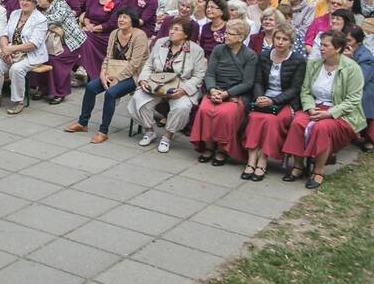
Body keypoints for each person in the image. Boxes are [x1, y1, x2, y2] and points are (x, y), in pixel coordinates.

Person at [281, 31, 365, 189]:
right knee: (298, 122)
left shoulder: (352, 69)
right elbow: (305, 90)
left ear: (338, 48)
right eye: (321, 45)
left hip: (340, 113)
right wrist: (310, 108)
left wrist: (329, 113)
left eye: (326, 45)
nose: (321, 48)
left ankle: (318, 171)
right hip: (315, 107)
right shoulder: (314, 64)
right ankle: (298, 166)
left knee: (322, 128)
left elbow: (353, 99)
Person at [66, 8, 148, 142]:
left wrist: (118, 78)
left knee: (110, 93)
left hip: (133, 75)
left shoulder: (140, 35)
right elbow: (108, 57)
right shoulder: (115, 33)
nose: (121, 20)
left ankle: (103, 131)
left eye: (125, 17)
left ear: (132, 21)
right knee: (91, 87)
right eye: (120, 17)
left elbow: (135, 63)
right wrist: (103, 73)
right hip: (112, 71)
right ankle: (82, 123)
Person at [129, 18, 208, 154]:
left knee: (182, 107)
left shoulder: (196, 51)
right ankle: (149, 131)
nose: (171, 31)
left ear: (186, 34)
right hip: (156, 83)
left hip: (181, 85)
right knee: (138, 99)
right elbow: (148, 65)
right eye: (171, 28)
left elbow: (199, 76)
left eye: (176, 29)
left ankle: (167, 136)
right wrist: (143, 80)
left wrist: (184, 90)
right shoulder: (161, 43)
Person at [189, 19, 258, 166]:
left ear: (241, 37)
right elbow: (210, 74)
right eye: (226, 32)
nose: (225, 36)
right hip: (216, 89)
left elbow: (247, 83)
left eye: (230, 34)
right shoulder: (218, 50)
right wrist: (212, 89)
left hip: (235, 93)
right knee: (205, 110)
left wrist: (227, 94)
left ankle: (222, 149)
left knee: (225, 113)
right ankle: (208, 146)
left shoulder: (250, 55)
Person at [243, 23, 307, 179]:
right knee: (255, 117)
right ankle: (251, 160)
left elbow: (295, 89)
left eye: (284, 39)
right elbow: (258, 81)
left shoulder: (298, 60)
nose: (280, 42)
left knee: (272, 121)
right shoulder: (264, 56)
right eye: (277, 38)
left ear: (291, 42)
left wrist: (273, 101)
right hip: (264, 97)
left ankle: (263, 160)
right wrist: (260, 97)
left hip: (284, 102)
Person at [0, 0, 48, 115]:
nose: (25, 3)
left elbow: (34, 44)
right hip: (11, 51)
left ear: (35, 3)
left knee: (17, 69)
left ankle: (18, 101)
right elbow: (4, 34)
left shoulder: (40, 19)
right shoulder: (15, 13)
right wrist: (5, 49)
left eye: (29, 0)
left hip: (31, 54)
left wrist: (11, 49)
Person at [78, 0, 122, 81]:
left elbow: (112, 23)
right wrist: (88, 25)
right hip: (90, 29)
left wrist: (93, 29)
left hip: (105, 33)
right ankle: (82, 68)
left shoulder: (117, 3)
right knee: (80, 35)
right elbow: (87, 15)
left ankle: (84, 68)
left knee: (85, 37)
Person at [342, 25, 374, 153]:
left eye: (349, 40)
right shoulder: (340, 49)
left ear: (358, 42)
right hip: (344, 85)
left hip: (364, 88)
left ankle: (368, 138)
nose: (345, 42)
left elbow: (360, 80)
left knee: (364, 96)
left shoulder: (366, 57)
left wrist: (350, 60)